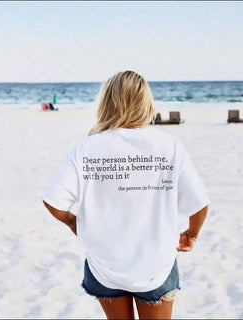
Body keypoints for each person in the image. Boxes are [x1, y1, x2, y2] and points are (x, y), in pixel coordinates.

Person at [42, 70, 209, 319]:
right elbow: (200, 205)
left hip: (105, 265)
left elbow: (52, 200)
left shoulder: (88, 148)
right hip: (155, 266)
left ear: (107, 103)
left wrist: (72, 221)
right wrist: (191, 235)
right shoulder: (169, 146)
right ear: (146, 103)